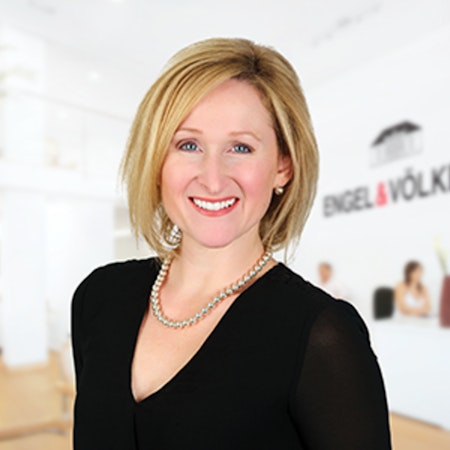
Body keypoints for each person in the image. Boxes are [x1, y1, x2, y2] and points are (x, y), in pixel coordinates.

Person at [71, 38, 392, 449]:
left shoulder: (322, 335)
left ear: (283, 166)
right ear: (157, 160)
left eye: (241, 147)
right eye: (188, 145)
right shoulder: (99, 297)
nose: (213, 178)